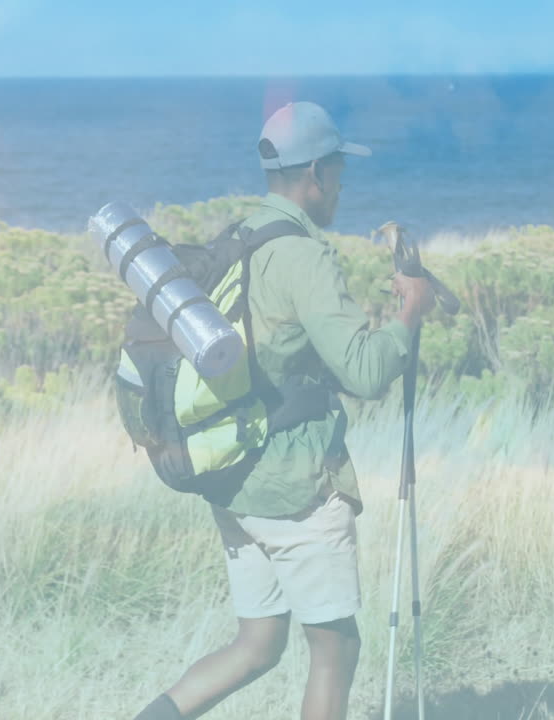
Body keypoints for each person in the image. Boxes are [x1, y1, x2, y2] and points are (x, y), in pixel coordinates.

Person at [132, 101, 436, 720]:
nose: (343, 186)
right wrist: (409, 313)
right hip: (294, 490)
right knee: (336, 648)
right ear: (318, 174)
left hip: (234, 477)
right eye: (339, 172)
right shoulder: (304, 254)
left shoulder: (242, 237)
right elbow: (368, 371)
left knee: (257, 644)